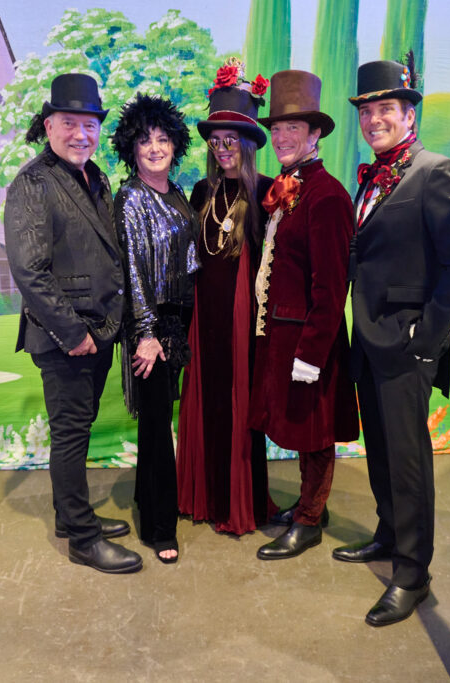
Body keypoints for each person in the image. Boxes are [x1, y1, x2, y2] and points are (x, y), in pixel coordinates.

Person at [340, 58, 450, 625]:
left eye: (385, 109)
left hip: (406, 344)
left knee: (408, 460)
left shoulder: (434, 171)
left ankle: (413, 572)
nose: (374, 120)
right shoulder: (374, 175)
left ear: (408, 112)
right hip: (369, 339)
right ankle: (388, 533)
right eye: (367, 111)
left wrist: (427, 338)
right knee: (379, 449)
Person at [4, 73, 142, 575]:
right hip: (67, 338)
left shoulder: (94, 176)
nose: (81, 133)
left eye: (89, 123)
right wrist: (74, 333)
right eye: (69, 123)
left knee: (78, 430)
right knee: (69, 435)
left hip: (96, 332)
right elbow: (29, 271)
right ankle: (82, 539)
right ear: (48, 126)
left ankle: (70, 516)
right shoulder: (33, 184)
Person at [249, 70, 359, 560]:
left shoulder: (328, 195)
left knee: (314, 432)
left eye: (292, 129)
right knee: (297, 427)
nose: (281, 138)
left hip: (309, 340)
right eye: (276, 130)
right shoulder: (288, 190)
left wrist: (312, 354)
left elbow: (332, 287)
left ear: (314, 135)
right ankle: (307, 505)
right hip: (281, 336)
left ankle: (311, 518)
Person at [177, 58, 277, 535]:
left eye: (230, 140)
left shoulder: (268, 194)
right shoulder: (201, 191)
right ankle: (206, 495)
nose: (221, 149)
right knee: (207, 403)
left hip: (244, 321)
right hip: (206, 316)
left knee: (239, 409)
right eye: (214, 141)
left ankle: (241, 501)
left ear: (249, 144)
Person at [112, 93, 199, 564]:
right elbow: (131, 271)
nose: (154, 148)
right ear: (132, 147)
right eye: (145, 141)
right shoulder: (130, 198)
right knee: (156, 429)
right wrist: (144, 333)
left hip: (180, 323)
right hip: (153, 327)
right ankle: (161, 529)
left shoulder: (179, 193)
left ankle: (150, 504)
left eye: (163, 139)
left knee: (162, 422)